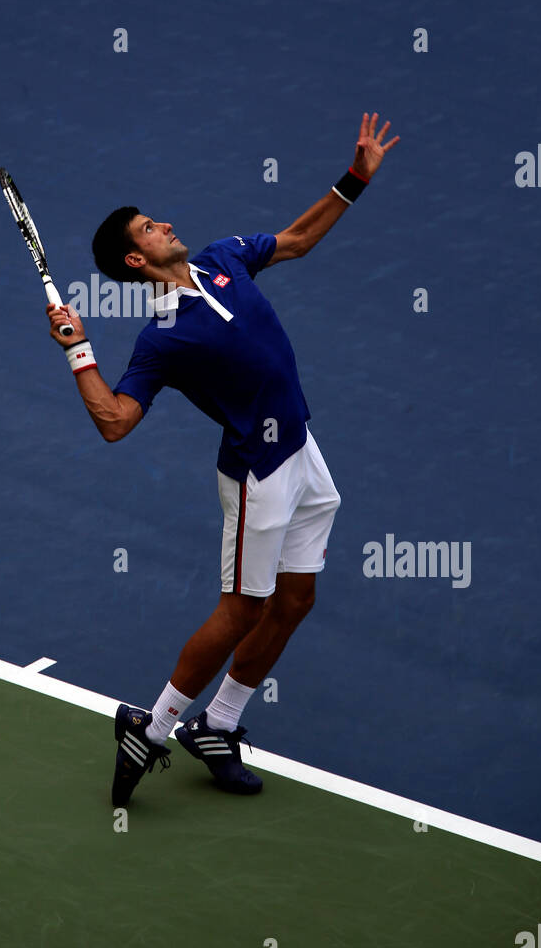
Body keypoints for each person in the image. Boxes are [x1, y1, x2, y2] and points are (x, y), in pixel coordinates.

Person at [46, 114, 399, 805]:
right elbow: (116, 423)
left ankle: (220, 723)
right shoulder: (162, 339)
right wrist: (77, 351)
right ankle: (151, 729)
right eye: (149, 229)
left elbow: (295, 240)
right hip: (257, 477)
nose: (165, 225)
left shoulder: (223, 257)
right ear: (135, 262)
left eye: (155, 220)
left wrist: (355, 177)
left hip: (304, 451)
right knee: (242, 609)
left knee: (296, 599)